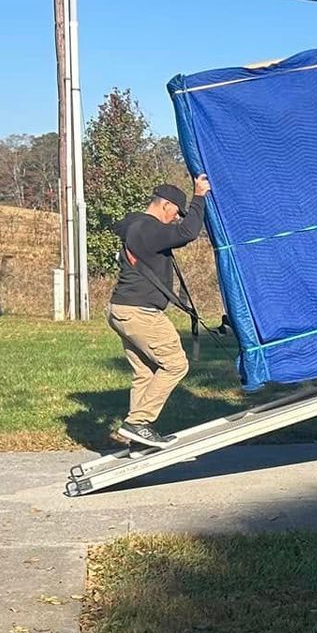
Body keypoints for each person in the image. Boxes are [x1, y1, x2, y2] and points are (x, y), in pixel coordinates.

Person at [106, 175, 210, 449]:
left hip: (125, 310)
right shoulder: (146, 228)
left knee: (147, 372)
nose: (176, 218)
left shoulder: (139, 227)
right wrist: (199, 196)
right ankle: (137, 423)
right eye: (176, 212)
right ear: (165, 205)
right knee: (176, 364)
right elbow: (187, 233)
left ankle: (136, 435)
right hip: (139, 312)